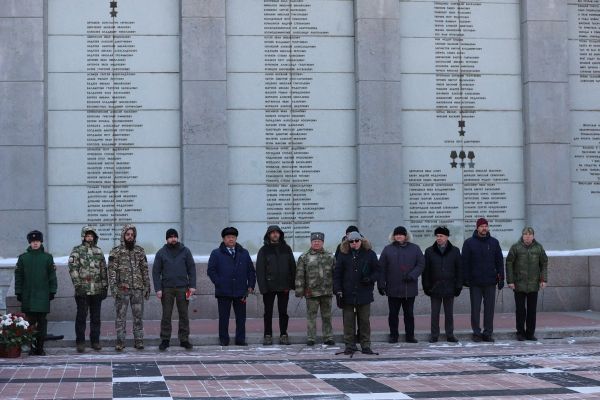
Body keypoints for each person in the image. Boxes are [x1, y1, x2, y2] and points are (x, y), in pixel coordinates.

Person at [207, 227, 256, 346]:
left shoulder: (243, 253)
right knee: (224, 318)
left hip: (241, 291)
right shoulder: (216, 253)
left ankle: (240, 339)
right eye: (228, 237)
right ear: (224, 239)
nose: (231, 239)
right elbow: (211, 270)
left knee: (241, 318)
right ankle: (224, 339)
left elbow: (250, 270)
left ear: (236, 238)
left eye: (233, 237)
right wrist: (218, 282)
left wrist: (251, 285)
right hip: (223, 291)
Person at [333, 231, 379, 355]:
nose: (354, 243)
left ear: (361, 241)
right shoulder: (343, 255)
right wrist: (337, 290)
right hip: (347, 294)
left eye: (356, 241)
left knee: (364, 321)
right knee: (348, 322)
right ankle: (349, 345)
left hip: (364, 293)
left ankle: (365, 345)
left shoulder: (370, 254)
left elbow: (377, 271)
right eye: (351, 241)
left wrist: (370, 279)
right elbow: (337, 275)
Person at [378, 226, 424, 343]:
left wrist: (412, 275)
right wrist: (381, 284)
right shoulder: (387, 249)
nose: (398, 236)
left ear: (405, 236)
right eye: (396, 234)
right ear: (393, 236)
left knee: (409, 314)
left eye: (401, 234)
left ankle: (410, 336)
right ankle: (393, 335)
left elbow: (421, 264)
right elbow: (381, 268)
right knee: (393, 314)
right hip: (393, 288)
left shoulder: (415, 249)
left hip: (409, 289)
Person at [108, 224, 151, 351]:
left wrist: (147, 286)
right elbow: (112, 272)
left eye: (132, 235)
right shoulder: (116, 252)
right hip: (123, 290)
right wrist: (114, 289)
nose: (130, 237)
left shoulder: (139, 251)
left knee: (138, 316)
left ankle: (139, 341)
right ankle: (120, 341)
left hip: (137, 289)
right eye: (128, 234)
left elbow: (144, 270)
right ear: (123, 235)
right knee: (120, 317)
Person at [14, 230, 57, 356]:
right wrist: (19, 292)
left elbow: (52, 277)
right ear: (30, 243)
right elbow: (19, 277)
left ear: (41, 242)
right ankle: (31, 347)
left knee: (42, 322)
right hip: (28, 296)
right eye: (33, 242)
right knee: (30, 323)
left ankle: (40, 347)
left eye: (37, 241)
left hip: (43, 295)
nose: (35, 244)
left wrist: (52, 291)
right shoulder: (23, 258)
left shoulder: (47, 258)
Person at [153, 228, 196, 351]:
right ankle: (165, 340)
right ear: (166, 239)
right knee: (166, 315)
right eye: (170, 237)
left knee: (184, 315)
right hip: (167, 289)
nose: (173, 239)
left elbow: (191, 269)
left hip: (183, 288)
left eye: (174, 236)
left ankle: (184, 339)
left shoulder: (185, 251)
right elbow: (156, 272)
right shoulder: (161, 253)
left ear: (177, 238)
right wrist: (158, 289)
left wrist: (192, 285)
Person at [462, 218, 504, 342]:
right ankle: (476, 333)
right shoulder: (469, 243)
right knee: (475, 309)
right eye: (481, 226)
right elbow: (465, 262)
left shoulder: (494, 242)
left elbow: (499, 262)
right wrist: (465, 278)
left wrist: (501, 278)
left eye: (486, 226)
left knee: (489, 309)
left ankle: (488, 333)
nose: (484, 228)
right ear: (477, 228)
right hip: (475, 283)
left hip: (490, 282)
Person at [68, 226, 108, 353]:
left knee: (96, 318)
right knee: (81, 317)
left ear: (94, 237)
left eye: (91, 235)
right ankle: (80, 342)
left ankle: (95, 341)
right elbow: (73, 268)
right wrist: (78, 285)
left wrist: (104, 286)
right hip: (83, 291)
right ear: (83, 236)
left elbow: (103, 270)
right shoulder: (77, 250)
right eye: (87, 235)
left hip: (96, 291)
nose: (89, 237)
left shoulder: (99, 251)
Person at [506, 227, 548, 341]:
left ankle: (530, 333)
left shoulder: (539, 248)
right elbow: (509, 263)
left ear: (533, 236)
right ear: (522, 236)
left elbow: (544, 263)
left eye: (530, 234)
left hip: (533, 284)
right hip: (519, 284)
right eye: (525, 234)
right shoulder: (515, 247)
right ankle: (520, 332)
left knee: (532, 310)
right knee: (520, 310)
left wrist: (543, 280)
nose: (527, 236)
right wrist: (510, 281)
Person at [256, 225, 296, 346]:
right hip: (269, 287)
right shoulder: (264, 250)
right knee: (268, 312)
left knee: (283, 312)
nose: (275, 234)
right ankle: (267, 335)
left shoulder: (286, 249)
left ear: (280, 234)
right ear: (268, 235)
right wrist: (263, 287)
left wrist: (292, 284)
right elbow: (260, 270)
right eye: (272, 233)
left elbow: (292, 267)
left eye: (276, 232)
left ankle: (283, 334)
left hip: (284, 286)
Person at [422, 226, 462, 343]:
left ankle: (450, 334)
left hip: (450, 287)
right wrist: (426, 286)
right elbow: (426, 271)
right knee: (435, 313)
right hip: (435, 287)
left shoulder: (455, 251)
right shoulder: (429, 251)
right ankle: (434, 335)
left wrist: (458, 286)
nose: (439, 238)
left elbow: (459, 270)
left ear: (447, 237)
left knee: (449, 313)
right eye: (437, 236)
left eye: (441, 236)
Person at [295, 232, 335, 346]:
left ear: (323, 242)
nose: (316, 243)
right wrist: (300, 291)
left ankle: (328, 337)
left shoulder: (330, 256)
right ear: (311, 242)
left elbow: (335, 273)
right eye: (314, 241)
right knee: (311, 316)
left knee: (327, 316)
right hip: (311, 292)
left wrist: (336, 289)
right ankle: (311, 337)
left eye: (319, 241)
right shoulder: (304, 257)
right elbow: (300, 275)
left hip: (326, 292)